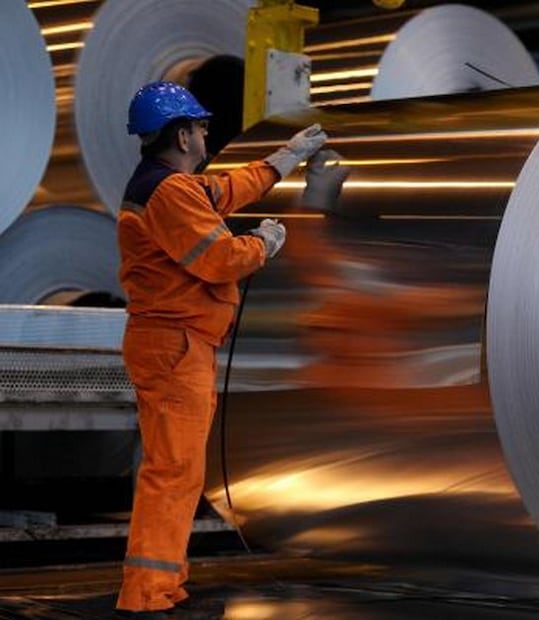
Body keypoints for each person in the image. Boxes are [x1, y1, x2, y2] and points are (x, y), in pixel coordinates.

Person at [115, 80, 329, 618]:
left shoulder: (170, 186)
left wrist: (285, 158)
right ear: (181, 134)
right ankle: (145, 593)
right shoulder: (169, 193)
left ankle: (164, 581)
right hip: (175, 346)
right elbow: (220, 261)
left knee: (179, 470)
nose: (207, 134)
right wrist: (265, 242)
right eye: (202, 127)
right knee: (173, 471)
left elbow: (229, 189)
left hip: (177, 344)